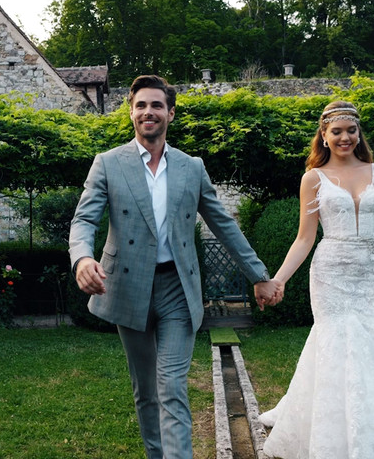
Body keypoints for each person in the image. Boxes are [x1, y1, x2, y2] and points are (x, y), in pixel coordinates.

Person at [69, 75, 281, 459]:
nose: (148, 112)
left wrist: (259, 276)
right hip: (129, 288)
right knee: (146, 391)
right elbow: (84, 219)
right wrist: (83, 257)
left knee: (171, 386)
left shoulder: (191, 167)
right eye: (141, 106)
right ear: (131, 112)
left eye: (156, 106)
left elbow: (224, 224)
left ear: (170, 112)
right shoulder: (107, 164)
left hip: (177, 290)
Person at [257, 101, 374, 458]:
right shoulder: (313, 178)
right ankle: (329, 435)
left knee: (373, 343)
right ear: (324, 136)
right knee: (335, 343)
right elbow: (304, 238)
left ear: (359, 134)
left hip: (372, 271)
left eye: (351, 130)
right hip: (330, 273)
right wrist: (277, 280)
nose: (345, 137)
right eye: (337, 131)